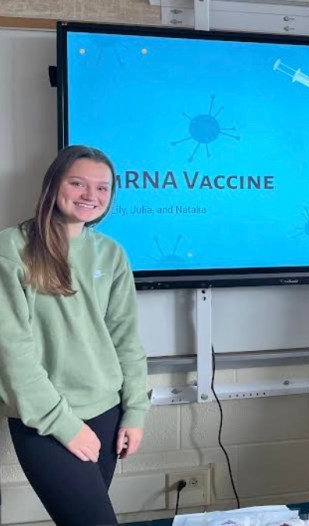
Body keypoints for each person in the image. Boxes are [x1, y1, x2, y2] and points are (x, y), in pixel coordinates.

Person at [0, 145, 150, 525]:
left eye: (102, 188)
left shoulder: (111, 254)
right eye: (78, 183)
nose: (90, 195)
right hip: (45, 421)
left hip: (107, 413)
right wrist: (64, 425)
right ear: (53, 185)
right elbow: (11, 352)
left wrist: (136, 411)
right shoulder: (11, 249)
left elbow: (126, 339)